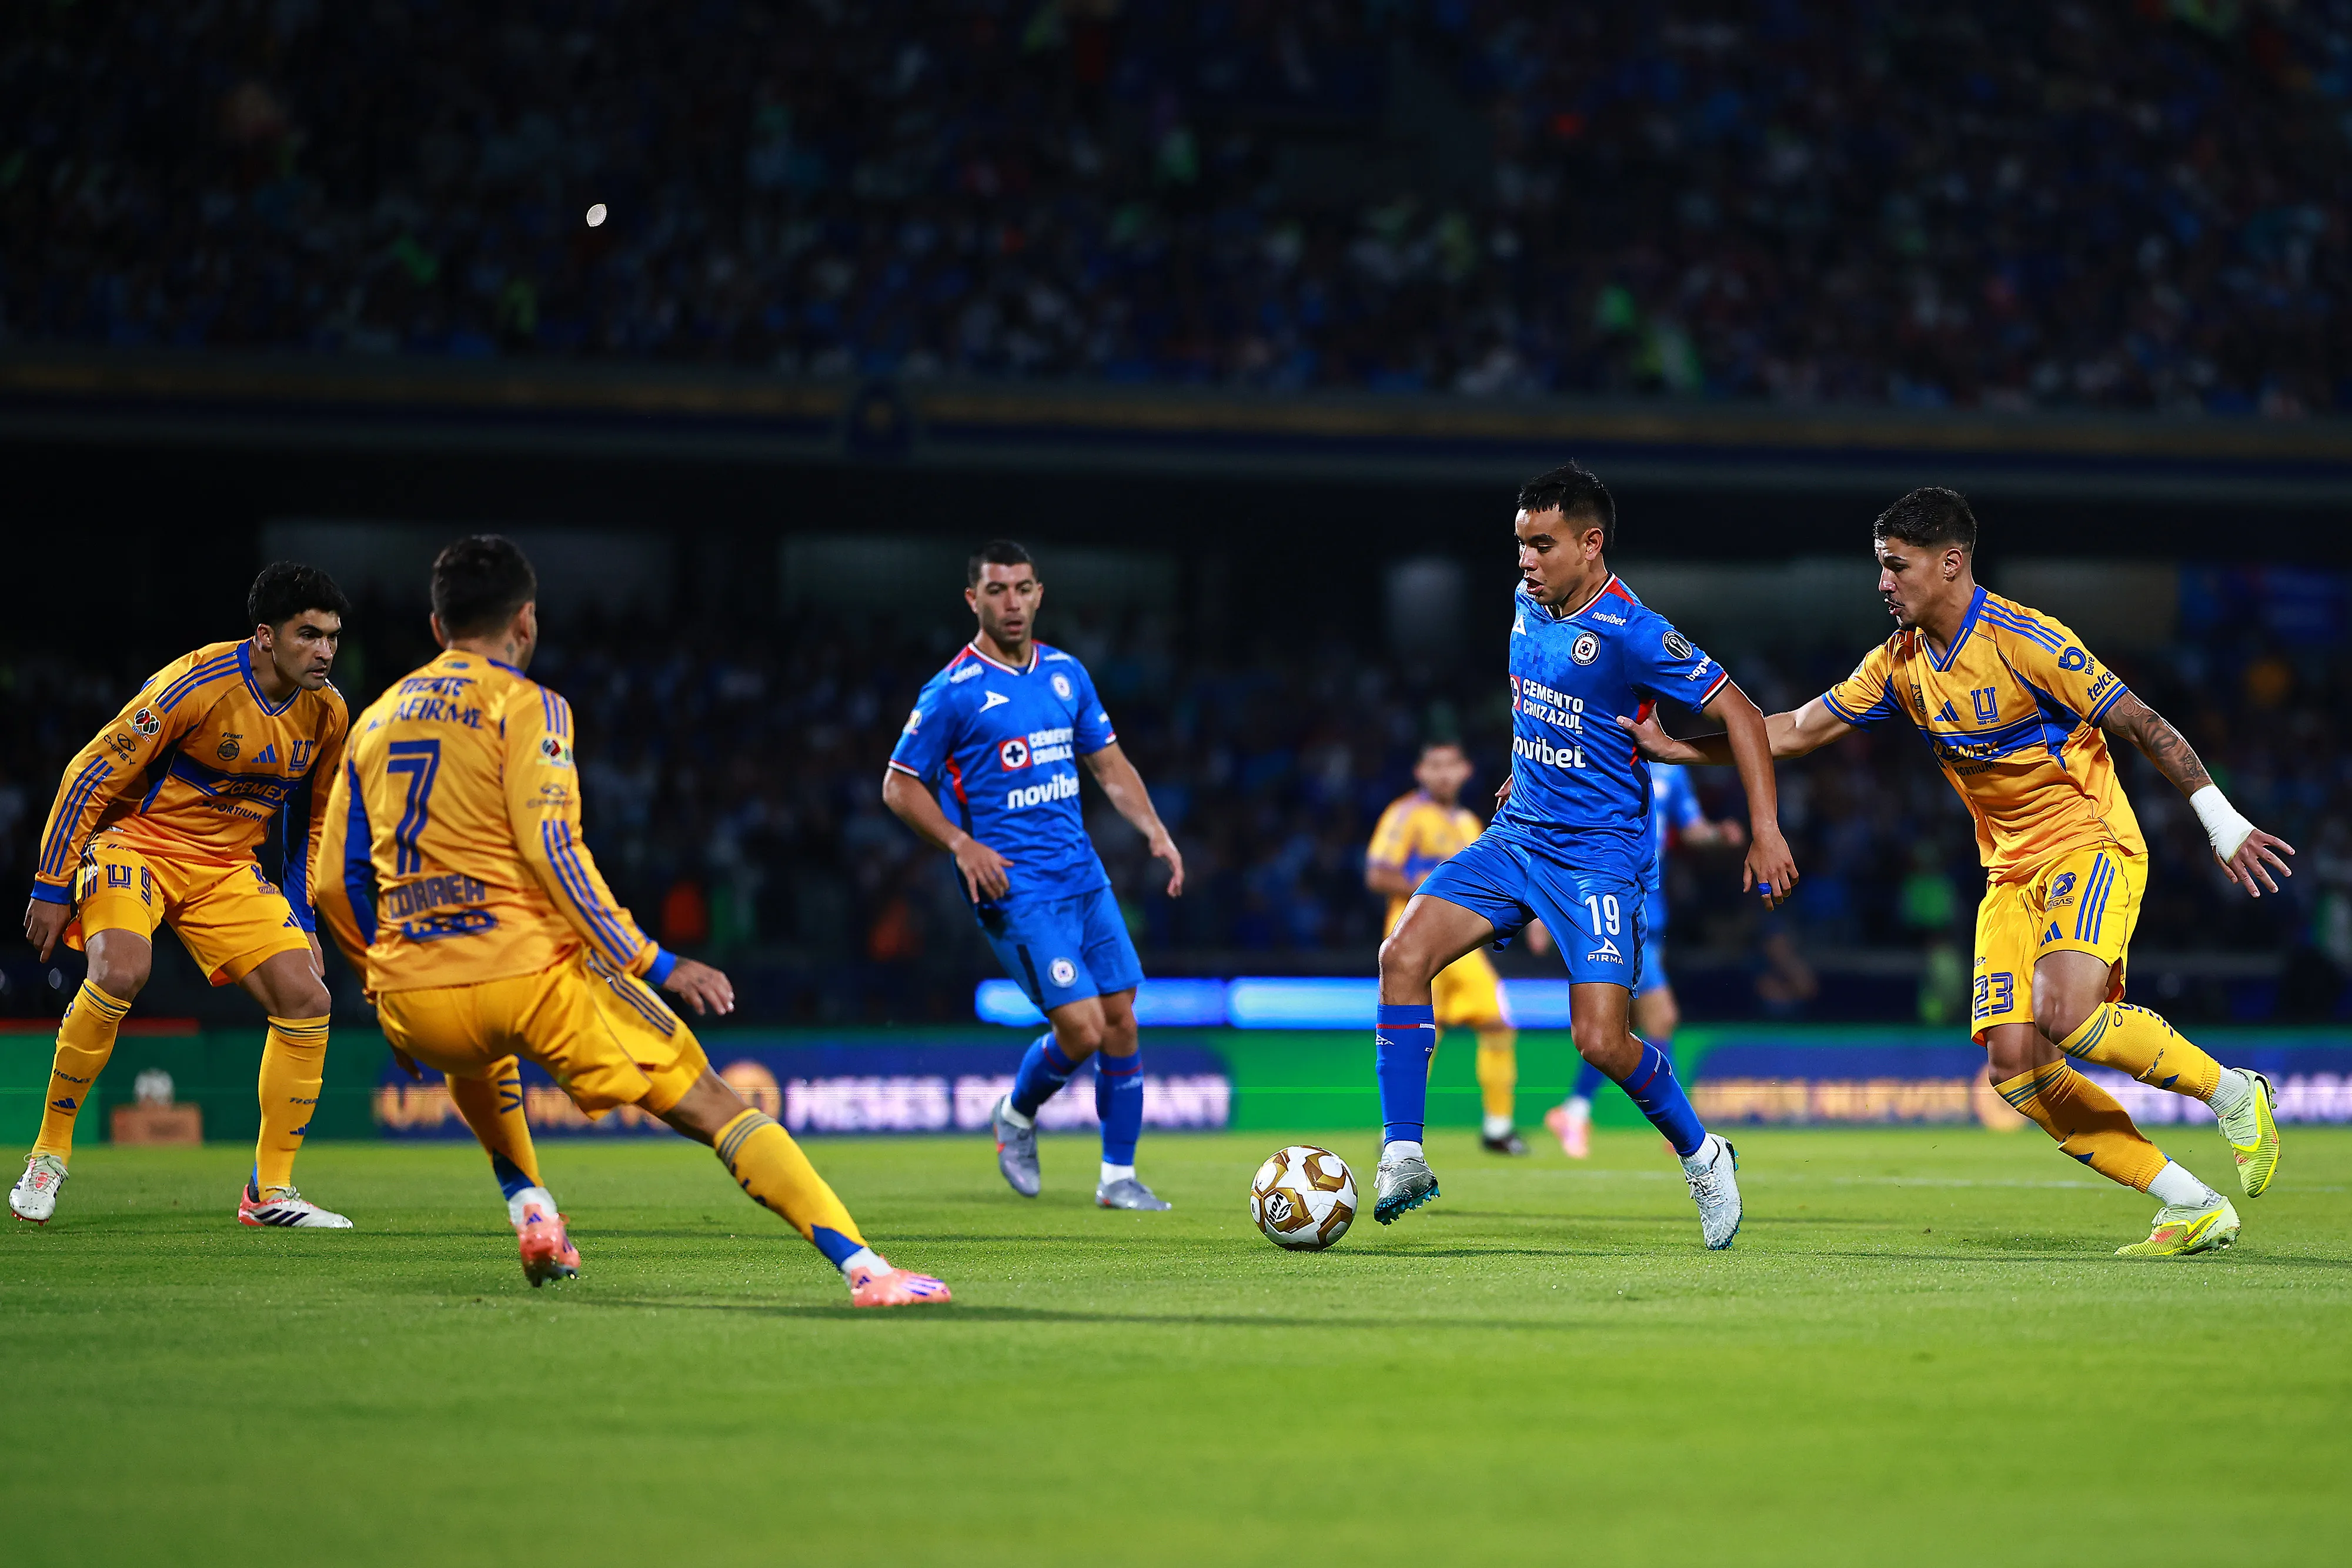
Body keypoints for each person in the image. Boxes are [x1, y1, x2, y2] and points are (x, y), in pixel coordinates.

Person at [1627, 487, 2286, 1256]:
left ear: (1950, 562)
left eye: (1895, 566)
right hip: (2008, 874)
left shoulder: (2027, 641)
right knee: (2015, 1068)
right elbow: (1798, 730)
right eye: (1880, 565)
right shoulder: (1899, 664)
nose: (1882, 582)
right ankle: (2190, 1201)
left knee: (2067, 1013)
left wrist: (2221, 819)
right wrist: (1677, 747)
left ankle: (2233, 1090)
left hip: (2089, 843)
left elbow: (2143, 720)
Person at [313, 536, 948, 1305]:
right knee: (718, 1103)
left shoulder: (373, 721)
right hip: (528, 975)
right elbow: (554, 848)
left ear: (439, 626)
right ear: (526, 622)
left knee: (479, 1055)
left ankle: (531, 1205)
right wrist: (655, 960)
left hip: (417, 997)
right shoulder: (528, 706)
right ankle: (867, 1270)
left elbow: (332, 884)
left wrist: (380, 990)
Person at [1372, 463, 1799, 1248]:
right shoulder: (1524, 605)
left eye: (1543, 544)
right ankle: (1404, 1154)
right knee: (1402, 954)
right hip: (1517, 834)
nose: (1526, 561)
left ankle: (1705, 1155)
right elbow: (1541, 701)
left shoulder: (1635, 631)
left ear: (1591, 544)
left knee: (1601, 1040)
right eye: (1521, 544)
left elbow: (1741, 712)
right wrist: (1523, 767)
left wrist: (1765, 828)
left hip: (1597, 859)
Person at [12, 564, 354, 1228]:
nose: (325, 651)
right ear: (265, 636)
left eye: (333, 637)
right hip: (137, 844)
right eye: (308, 635)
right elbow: (88, 771)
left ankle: (270, 1193)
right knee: (120, 969)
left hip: (226, 867)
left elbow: (316, 821)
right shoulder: (194, 684)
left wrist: (302, 914)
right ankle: (48, 1155)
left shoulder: (329, 713)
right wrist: (52, 884)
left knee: (309, 997)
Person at [884, 539, 1186, 1211]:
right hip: (1015, 888)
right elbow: (899, 787)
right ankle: (1016, 1115)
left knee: (1122, 1023)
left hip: (1083, 875)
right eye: (997, 590)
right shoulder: (952, 693)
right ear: (973, 600)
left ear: (1039, 593)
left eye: (1022, 588)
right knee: (1081, 1028)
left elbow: (1109, 766)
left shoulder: (1066, 674)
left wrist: (1155, 832)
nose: (1011, 602)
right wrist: (961, 844)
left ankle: (1117, 1179)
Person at [1545, 762, 1743, 1157]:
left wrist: (1718, 834)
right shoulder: (1603, 754)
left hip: (1652, 913)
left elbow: (1692, 829)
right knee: (1662, 1016)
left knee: (1621, 1025)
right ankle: (1680, 1127)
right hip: (1612, 906)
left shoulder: (1673, 772)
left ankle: (1574, 1110)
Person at [1365, 741, 1532, 1155]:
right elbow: (1378, 873)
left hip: (1461, 947)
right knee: (1419, 1036)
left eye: (1451, 766)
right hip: (1417, 941)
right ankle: (1398, 1131)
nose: (1443, 774)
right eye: (1434, 766)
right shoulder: (1406, 814)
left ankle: (1498, 1128)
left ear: (1466, 771)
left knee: (1498, 1023)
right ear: (1420, 772)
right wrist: (1435, 893)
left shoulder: (1470, 821)